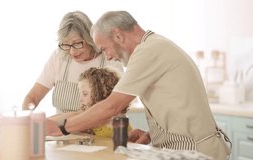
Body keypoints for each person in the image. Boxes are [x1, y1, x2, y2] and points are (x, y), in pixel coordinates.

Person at [46, 11, 231, 160]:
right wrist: (154, 134)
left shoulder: (148, 51)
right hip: (180, 147)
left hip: (196, 151)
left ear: (118, 35)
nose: (108, 56)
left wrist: (62, 127)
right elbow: (175, 104)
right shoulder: (154, 46)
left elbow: (112, 105)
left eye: (104, 48)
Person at [22, 11, 122, 113]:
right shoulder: (59, 57)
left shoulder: (110, 59)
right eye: (66, 44)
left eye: (77, 43)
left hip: (97, 127)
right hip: (60, 127)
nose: (72, 52)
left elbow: (116, 106)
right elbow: (33, 97)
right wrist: (27, 118)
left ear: (90, 38)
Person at [48, 67, 132, 137]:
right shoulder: (82, 116)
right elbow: (51, 122)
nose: (80, 99)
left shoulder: (121, 124)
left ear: (102, 94)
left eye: (85, 94)